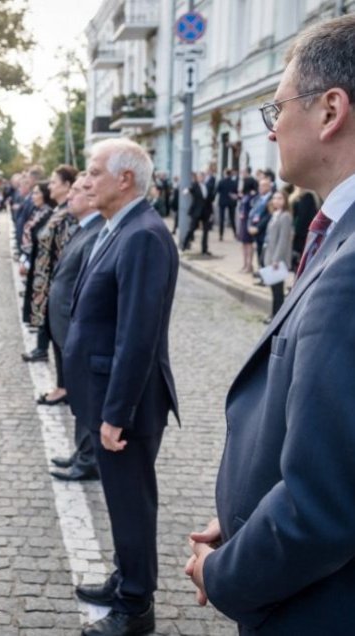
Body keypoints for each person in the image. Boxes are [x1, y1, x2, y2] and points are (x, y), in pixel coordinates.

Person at [185, 15, 355, 633]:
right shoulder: (339, 238)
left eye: (277, 108)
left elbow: (323, 501)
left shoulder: (350, 268)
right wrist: (241, 524)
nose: (274, 126)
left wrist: (221, 572)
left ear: (330, 110)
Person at [65, 138, 179, 636]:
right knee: (119, 500)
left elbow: (138, 335)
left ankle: (136, 607)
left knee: (132, 503)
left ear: (125, 179)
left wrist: (115, 414)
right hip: (107, 395)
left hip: (125, 404)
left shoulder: (144, 236)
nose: (87, 181)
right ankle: (123, 577)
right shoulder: (122, 227)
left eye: (94, 172)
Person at [47, 174, 105, 482]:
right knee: (79, 397)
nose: (71, 196)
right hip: (65, 325)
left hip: (74, 327)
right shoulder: (83, 228)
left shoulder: (95, 232)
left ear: (92, 197)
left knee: (84, 397)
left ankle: (88, 458)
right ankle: (81, 451)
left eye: (78, 191)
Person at [27, 165, 78, 398]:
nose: (50, 186)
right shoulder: (59, 211)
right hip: (47, 283)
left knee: (60, 335)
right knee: (55, 333)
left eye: (55, 182)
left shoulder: (68, 214)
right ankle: (63, 385)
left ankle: (65, 386)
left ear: (68, 186)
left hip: (57, 283)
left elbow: (66, 251)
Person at [19, 180, 54, 361]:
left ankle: (42, 349)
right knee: (39, 307)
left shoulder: (48, 214)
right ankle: (40, 347)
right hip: (35, 261)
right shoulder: (38, 211)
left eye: (36, 193)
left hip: (42, 264)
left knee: (43, 307)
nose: (33, 197)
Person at [260, 190, 293, 322]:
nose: (276, 201)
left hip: (277, 259)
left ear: (285, 201)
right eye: (274, 198)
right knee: (274, 289)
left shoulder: (285, 216)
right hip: (270, 254)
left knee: (278, 290)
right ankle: (273, 314)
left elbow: (283, 240)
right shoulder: (275, 214)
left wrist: (276, 259)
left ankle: (276, 317)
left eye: (279, 198)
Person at [216, 168, 239, 240]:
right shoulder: (233, 182)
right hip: (231, 202)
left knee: (221, 219)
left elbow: (217, 190)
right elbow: (236, 192)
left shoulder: (221, 182)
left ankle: (221, 235)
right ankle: (235, 233)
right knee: (232, 218)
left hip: (222, 201)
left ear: (225, 174)